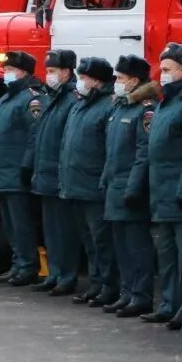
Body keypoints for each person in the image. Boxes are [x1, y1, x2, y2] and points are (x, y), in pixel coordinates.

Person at [137, 43, 182, 328]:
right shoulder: (167, 101)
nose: (160, 74)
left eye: (166, 69)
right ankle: (168, 303)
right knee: (167, 255)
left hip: (179, 193)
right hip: (161, 192)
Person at [58, 56, 118, 304]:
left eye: (83, 78)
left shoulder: (107, 106)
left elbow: (109, 149)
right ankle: (96, 283)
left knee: (102, 241)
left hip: (94, 186)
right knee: (89, 241)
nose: (79, 83)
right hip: (76, 184)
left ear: (96, 81)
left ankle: (109, 285)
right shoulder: (79, 105)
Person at [104, 56, 159, 317]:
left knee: (137, 247)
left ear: (135, 80)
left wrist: (134, 187)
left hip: (130, 189)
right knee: (122, 246)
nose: (116, 83)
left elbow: (143, 153)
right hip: (115, 187)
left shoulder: (144, 110)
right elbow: (111, 151)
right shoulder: (121, 107)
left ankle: (141, 295)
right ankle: (127, 293)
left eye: (121, 79)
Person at [0, 49, 44, 287]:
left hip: (17, 172)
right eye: (6, 69)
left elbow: (35, 135)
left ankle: (28, 266)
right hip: (2, 172)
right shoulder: (5, 99)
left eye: (10, 70)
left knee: (22, 224)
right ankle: (18, 264)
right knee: (11, 224)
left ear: (23, 72)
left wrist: (27, 166)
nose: (6, 73)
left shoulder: (31, 99)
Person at [30, 49, 81, 291]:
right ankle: (55, 273)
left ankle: (67, 276)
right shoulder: (52, 98)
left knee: (64, 232)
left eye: (52, 71)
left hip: (59, 176)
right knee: (51, 231)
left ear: (66, 72)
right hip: (46, 175)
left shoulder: (71, 100)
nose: (47, 75)